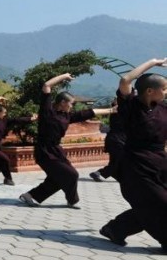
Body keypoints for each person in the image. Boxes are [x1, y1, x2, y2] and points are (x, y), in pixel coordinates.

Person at [19, 73, 116, 209]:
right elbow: (47, 86)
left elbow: (87, 113)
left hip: (57, 151)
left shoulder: (66, 116)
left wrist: (110, 110)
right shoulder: (47, 112)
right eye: (71, 103)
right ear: (63, 102)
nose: (72, 106)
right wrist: (64, 76)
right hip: (44, 151)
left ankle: (31, 196)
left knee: (58, 179)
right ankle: (72, 200)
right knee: (71, 174)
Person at [99, 58, 166, 250]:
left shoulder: (163, 109)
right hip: (137, 165)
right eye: (164, 88)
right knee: (160, 204)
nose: (166, 92)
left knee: (148, 206)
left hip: (160, 164)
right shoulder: (132, 106)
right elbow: (125, 81)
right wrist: (153, 62)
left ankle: (115, 229)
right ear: (150, 91)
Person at [90, 98, 125, 182]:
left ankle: (117, 175)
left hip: (114, 139)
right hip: (118, 140)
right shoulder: (119, 112)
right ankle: (99, 173)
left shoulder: (118, 112)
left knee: (115, 161)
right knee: (121, 160)